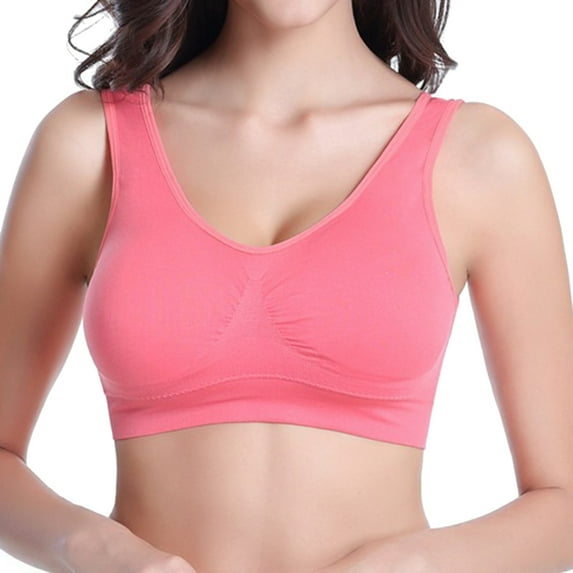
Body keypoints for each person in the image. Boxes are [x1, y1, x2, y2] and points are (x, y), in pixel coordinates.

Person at [1, 1, 573, 572]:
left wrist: (414, 566)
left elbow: (562, 502)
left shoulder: (479, 156)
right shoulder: (89, 145)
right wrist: (97, 551)